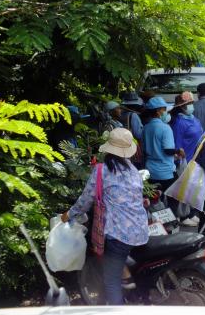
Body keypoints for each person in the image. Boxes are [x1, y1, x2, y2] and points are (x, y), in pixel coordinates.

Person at [61, 128, 149, 305]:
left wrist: (69, 214)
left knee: (111, 281)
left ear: (108, 149)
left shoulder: (102, 170)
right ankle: (127, 279)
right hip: (140, 230)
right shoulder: (132, 169)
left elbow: (86, 200)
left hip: (118, 234)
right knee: (118, 260)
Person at [142, 97, 184, 205]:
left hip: (150, 170)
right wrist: (178, 151)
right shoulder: (165, 128)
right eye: (164, 109)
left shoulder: (146, 127)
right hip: (165, 172)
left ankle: (156, 221)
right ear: (157, 111)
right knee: (172, 202)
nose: (166, 112)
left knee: (154, 202)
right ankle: (172, 220)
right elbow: (168, 150)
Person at [171, 91, 202, 227]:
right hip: (184, 160)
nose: (190, 106)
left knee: (190, 188)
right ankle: (182, 216)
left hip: (195, 159)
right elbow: (177, 144)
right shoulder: (179, 122)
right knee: (182, 189)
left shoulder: (194, 119)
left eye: (191, 103)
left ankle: (189, 213)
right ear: (182, 107)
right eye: (187, 104)